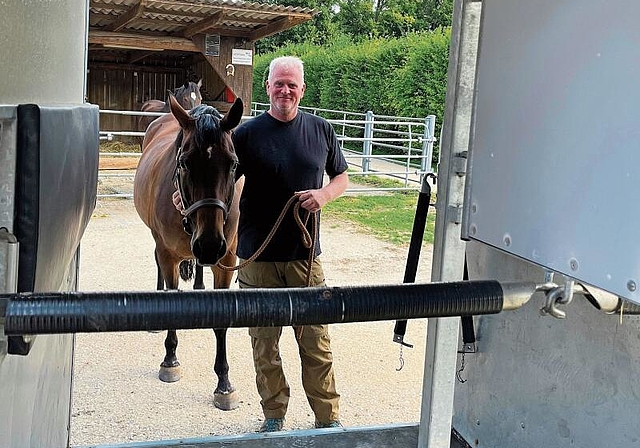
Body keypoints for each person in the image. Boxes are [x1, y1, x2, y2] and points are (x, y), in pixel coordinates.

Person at [173, 56, 348, 432]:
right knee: (264, 344)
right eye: (278, 83)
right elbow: (214, 171)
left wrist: (324, 195)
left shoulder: (321, 131)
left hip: (304, 255)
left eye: (292, 84)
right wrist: (185, 199)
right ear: (268, 87)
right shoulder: (246, 135)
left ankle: (327, 419)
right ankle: (273, 416)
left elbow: (341, 177)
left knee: (316, 341)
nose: (285, 90)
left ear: (302, 89)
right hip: (257, 254)